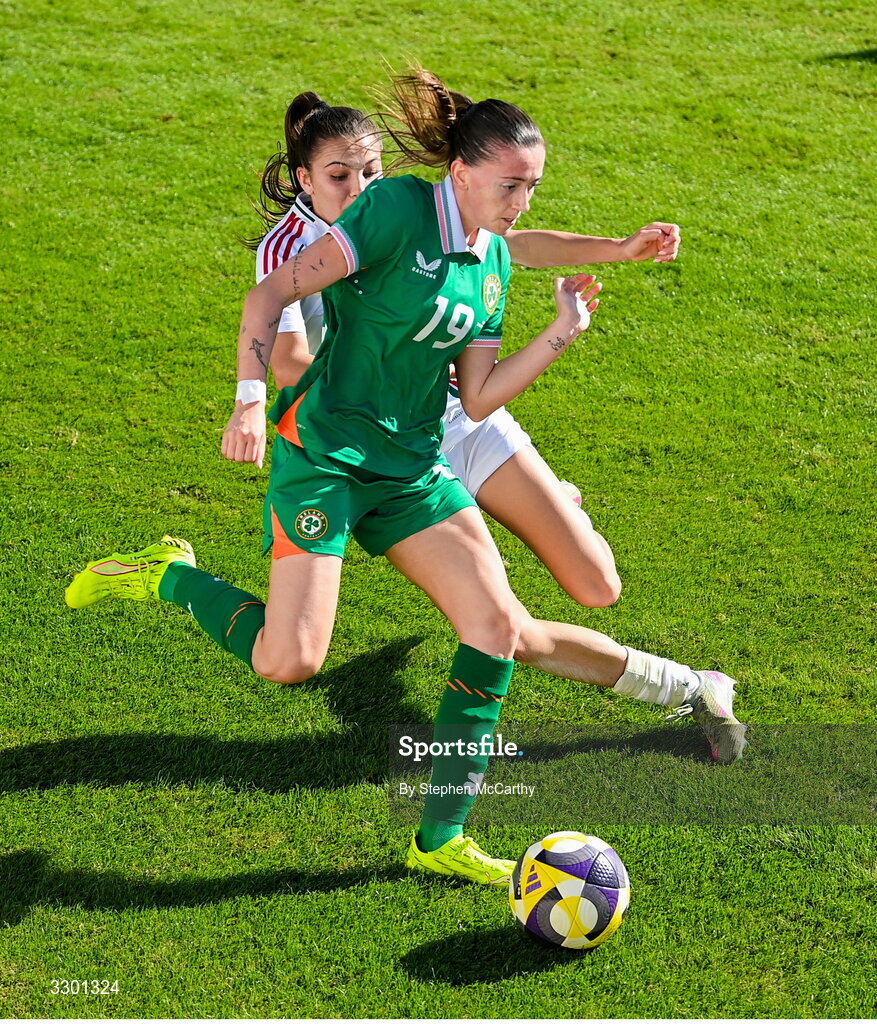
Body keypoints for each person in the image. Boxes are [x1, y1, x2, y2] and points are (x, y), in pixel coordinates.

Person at [66, 70, 746, 887]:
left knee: (497, 629)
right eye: (511, 185)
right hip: (322, 460)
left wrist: (563, 330)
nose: (522, 202)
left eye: (532, 187)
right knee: (290, 662)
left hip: (413, 466)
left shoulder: (490, 265)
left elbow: (482, 394)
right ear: (462, 174)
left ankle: (439, 840)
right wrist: (249, 402)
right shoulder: (387, 212)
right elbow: (268, 296)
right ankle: (169, 575)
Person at [232, 92, 683, 610]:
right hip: (381, 429)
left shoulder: (412, 217)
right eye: (339, 177)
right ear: (306, 179)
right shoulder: (289, 248)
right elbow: (288, 362)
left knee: (599, 587)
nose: (358, 190)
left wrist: (618, 249)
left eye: (371, 172)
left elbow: (511, 246)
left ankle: (558, 504)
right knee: (502, 621)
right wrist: (389, 378)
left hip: (456, 411)